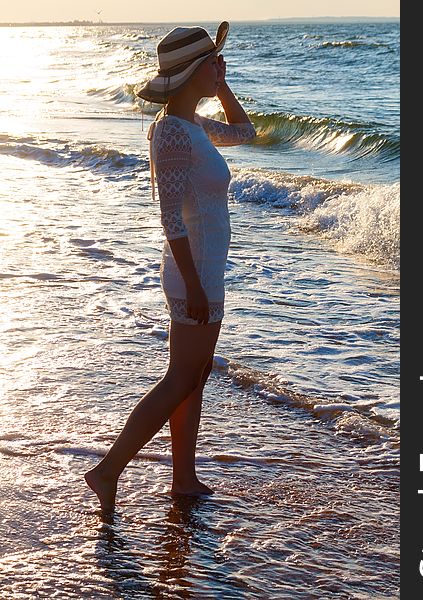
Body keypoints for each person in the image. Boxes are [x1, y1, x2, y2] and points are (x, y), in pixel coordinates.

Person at [84, 21, 256, 511]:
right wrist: (198, 287)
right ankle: (107, 470)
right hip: (193, 270)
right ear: (191, 72)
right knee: (181, 377)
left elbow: (246, 132)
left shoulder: (190, 126)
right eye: (212, 64)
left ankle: (183, 478)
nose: (220, 68)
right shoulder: (174, 135)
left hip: (202, 267)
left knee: (192, 376)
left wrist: (222, 87)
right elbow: (170, 221)